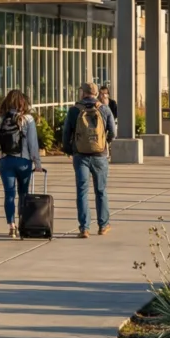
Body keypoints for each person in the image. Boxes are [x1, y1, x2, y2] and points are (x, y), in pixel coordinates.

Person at [62, 81, 117, 238]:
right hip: (100, 156)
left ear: (83, 93)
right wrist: (105, 143)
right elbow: (113, 132)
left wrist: (69, 150)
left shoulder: (74, 110)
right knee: (101, 191)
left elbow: (66, 133)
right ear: (96, 93)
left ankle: (84, 228)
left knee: (82, 191)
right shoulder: (104, 109)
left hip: (80, 156)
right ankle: (103, 225)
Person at [0, 90, 42, 238]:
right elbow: (33, 143)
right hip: (23, 162)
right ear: (23, 103)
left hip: (5, 161)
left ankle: (11, 225)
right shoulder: (28, 119)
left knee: (9, 194)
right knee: (23, 194)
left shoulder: (0, 120)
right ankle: (23, 223)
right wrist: (37, 162)